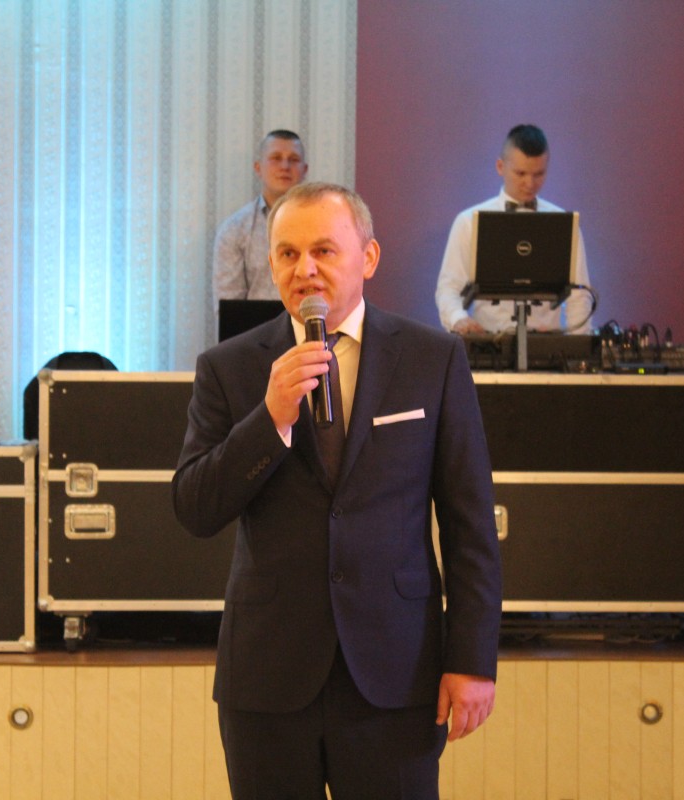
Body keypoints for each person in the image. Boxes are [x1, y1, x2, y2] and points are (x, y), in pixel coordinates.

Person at [174, 182, 502, 798]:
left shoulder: (432, 359)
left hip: (396, 673)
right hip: (268, 679)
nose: (305, 269)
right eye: (288, 254)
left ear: (368, 258)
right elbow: (195, 507)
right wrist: (270, 419)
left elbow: (470, 524)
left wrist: (472, 659)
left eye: (323, 250)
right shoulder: (229, 367)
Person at [435, 124, 593, 334]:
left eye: (539, 174)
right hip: (489, 342)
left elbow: (579, 296)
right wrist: (459, 319)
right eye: (521, 173)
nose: (530, 183)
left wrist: (579, 344)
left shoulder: (564, 224)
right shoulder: (468, 222)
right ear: (500, 166)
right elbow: (449, 288)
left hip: (547, 344)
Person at [212, 129, 308, 302]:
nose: (285, 166)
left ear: (304, 169)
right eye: (276, 158)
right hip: (254, 321)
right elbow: (229, 306)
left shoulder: (324, 226)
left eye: (293, 160)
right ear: (258, 168)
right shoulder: (234, 230)